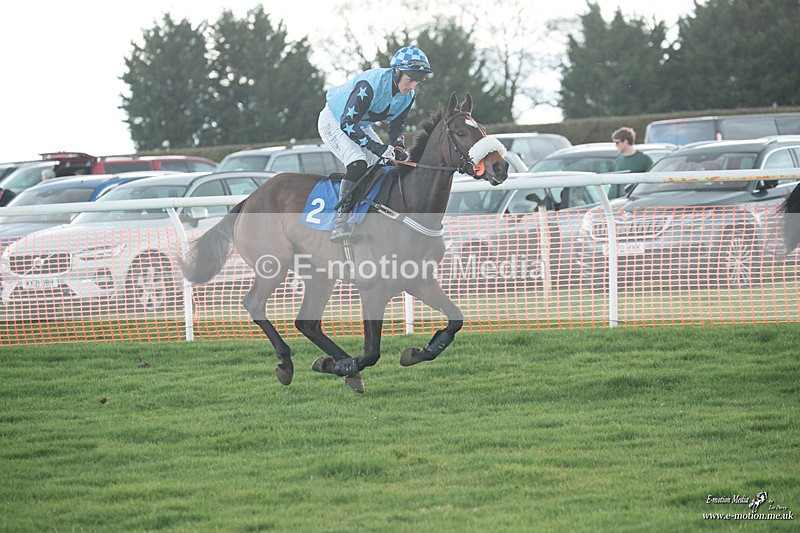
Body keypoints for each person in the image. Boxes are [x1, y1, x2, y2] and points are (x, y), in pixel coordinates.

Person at [318, 45, 432, 242]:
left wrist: (397, 147)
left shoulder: (409, 96)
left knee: (387, 165)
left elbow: (397, 127)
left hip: (358, 123)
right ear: (396, 71)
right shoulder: (369, 86)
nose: (413, 86)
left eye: (418, 81)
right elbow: (347, 124)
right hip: (335, 120)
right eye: (410, 79)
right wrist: (377, 147)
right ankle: (340, 223)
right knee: (358, 163)